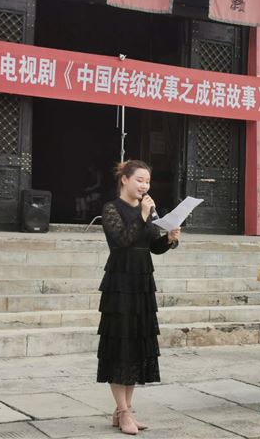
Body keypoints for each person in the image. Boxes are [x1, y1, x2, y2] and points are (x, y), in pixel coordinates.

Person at [97, 160, 181, 435]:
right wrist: (144, 215)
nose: (145, 186)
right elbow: (122, 240)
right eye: (139, 180)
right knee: (119, 345)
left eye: (147, 181)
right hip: (120, 281)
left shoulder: (149, 209)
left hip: (142, 281)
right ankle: (123, 412)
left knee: (135, 345)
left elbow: (152, 245)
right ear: (124, 179)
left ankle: (126, 410)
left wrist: (169, 238)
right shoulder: (111, 208)